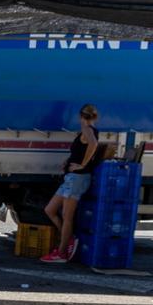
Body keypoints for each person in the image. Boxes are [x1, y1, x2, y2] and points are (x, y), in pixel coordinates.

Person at [41, 104, 100, 263]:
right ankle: (68, 239)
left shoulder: (87, 129)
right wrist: (69, 161)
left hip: (77, 178)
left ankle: (61, 252)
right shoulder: (88, 130)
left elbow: (93, 145)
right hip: (71, 178)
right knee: (50, 210)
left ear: (81, 116)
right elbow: (81, 150)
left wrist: (83, 164)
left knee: (67, 216)